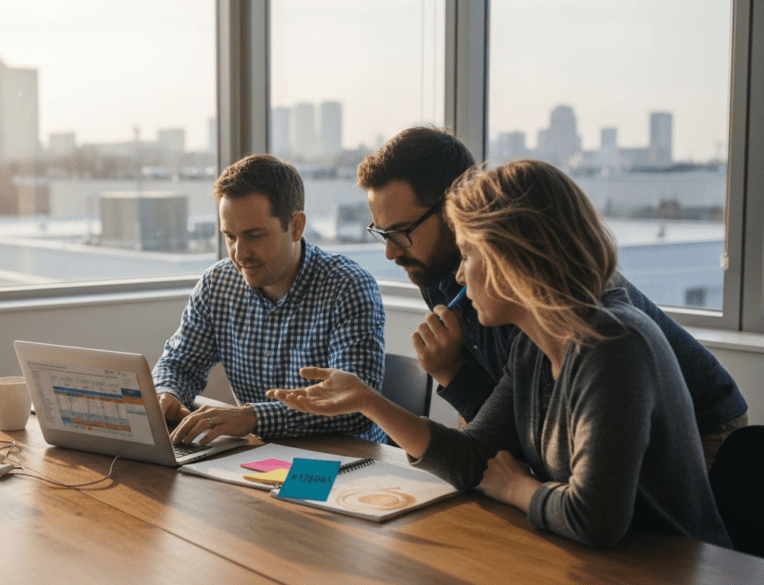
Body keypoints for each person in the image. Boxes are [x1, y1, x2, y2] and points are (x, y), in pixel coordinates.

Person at [269, 160, 731, 548]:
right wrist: (368, 401)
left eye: (468, 256)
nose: (460, 276)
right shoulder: (533, 345)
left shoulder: (612, 343)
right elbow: (474, 457)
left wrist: (517, 489)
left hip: (669, 569)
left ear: (510, 257)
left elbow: (594, 519)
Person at [357, 126, 747, 467]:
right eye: (381, 232)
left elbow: (526, 438)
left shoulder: (533, 290)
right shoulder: (434, 268)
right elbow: (502, 426)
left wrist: (452, 376)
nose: (390, 252)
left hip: (698, 426)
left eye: (400, 232)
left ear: (451, 208)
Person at [154, 154, 386, 445]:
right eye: (230, 237)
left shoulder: (348, 288)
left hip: (345, 459)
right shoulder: (217, 284)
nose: (239, 254)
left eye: (254, 235)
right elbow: (179, 365)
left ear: (296, 226)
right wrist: (167, 393)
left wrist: (253, 417)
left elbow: (353, 406)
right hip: (260, 456)